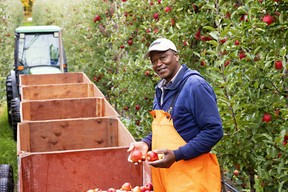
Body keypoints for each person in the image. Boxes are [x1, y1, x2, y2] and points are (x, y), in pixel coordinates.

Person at [128, 38, 224, 192]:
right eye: (154, 61)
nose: (158, 64)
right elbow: (170, 128)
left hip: (191, 179)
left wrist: (177, 155)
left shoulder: (195, 86)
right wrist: (146, 143)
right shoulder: (161, 89)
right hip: (168, 178)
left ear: (176, 56)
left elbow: (214, 131)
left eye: (163, 57)